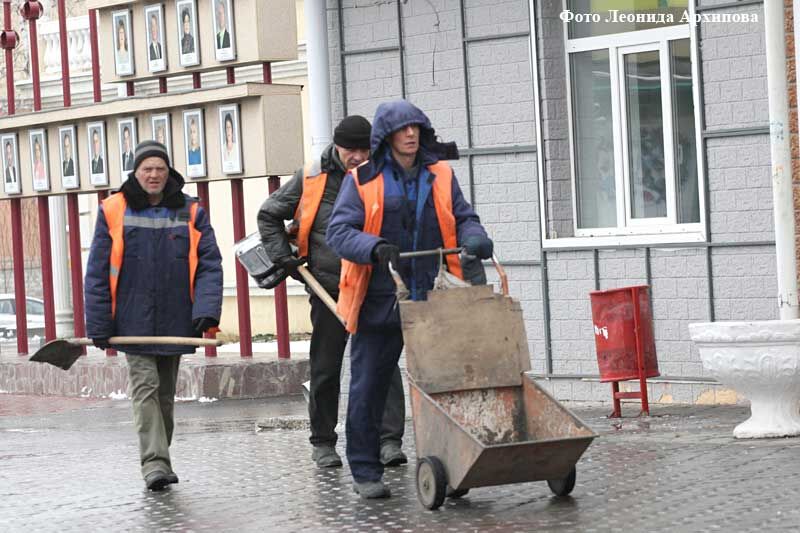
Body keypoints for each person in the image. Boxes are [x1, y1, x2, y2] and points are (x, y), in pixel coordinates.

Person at [326, 100, 493, 499]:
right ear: (387, 136)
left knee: (447, 383)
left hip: (435, 293)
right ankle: (366, 470)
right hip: (380, 297)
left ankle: (454, 464)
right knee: (369, 385)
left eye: (417, 128)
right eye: (403, 129)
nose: (411, 135)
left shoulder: (440, 173)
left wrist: (475, 236)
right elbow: (339, 231)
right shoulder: (362, 179)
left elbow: (462, 215)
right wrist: (373, 246)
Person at [257, 116, 408, 470]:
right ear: (336, 147)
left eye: (363, 149)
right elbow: (269, 214)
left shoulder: (384, 174)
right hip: (329, 286)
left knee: (382, 363)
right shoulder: (312, 176)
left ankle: (389, 441)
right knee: (327, 366)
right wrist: (284, 258)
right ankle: (323, 442)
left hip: (374, 285)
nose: (357, 156)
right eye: (350, 149)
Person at [84, 141, 223, 491]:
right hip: (132, 320)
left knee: (164, 395)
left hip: (176, 318)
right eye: (147, 168)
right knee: (145, 389)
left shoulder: (191, 211)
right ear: (136, 172)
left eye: (159, 168)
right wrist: (100, 323)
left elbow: (209, 264)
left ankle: (160, 457)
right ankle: (155, 464)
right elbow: (98, 270)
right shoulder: (114, 209)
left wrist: (206, 311)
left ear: (168, 171)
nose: (154, 174)